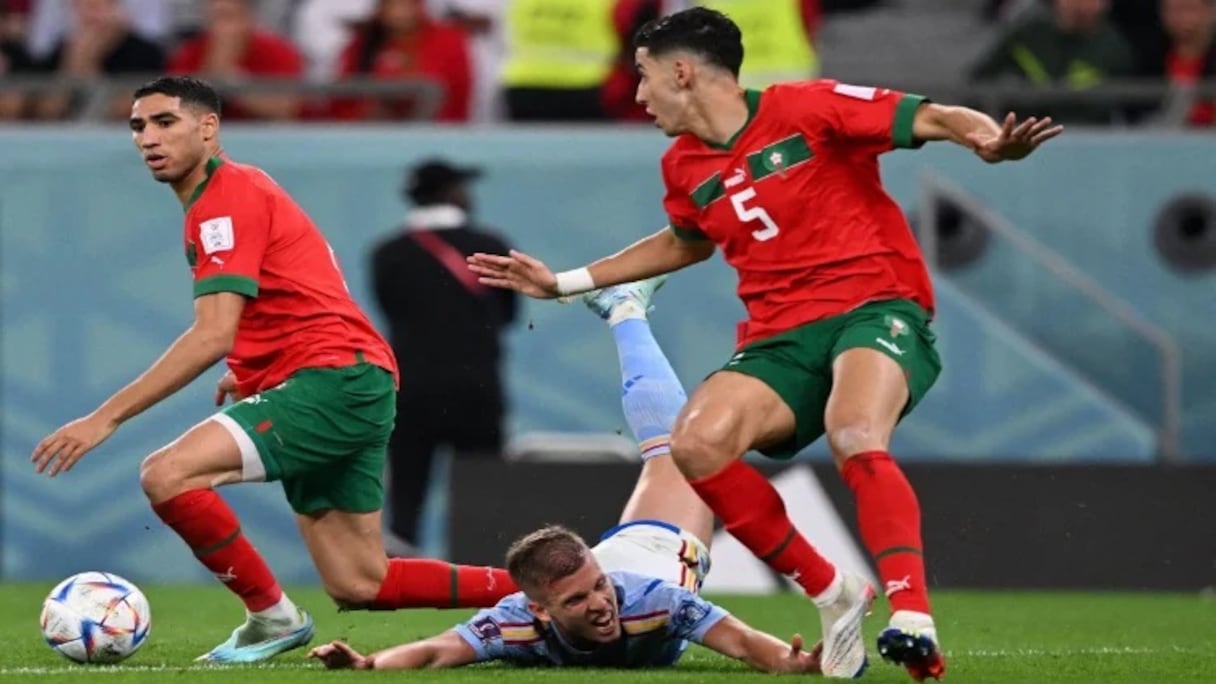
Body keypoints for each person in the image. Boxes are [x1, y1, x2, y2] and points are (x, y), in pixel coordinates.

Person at [468, 8, 1063, 681]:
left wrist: (988, 140)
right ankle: (834, 590)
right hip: (779, 337)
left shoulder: (806, 107)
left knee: (853, 431)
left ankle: (912, 616)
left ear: (682, 72)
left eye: (644, 76)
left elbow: (933, 116)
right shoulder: (682, 164)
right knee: (695, 444)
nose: (638, 94)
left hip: (874, 306)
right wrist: (566, 282)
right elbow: (685, 242)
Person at [28, 75, 522, 664]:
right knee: (361, 582)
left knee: (167, 474)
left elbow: (212, 334)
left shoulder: (225, 199)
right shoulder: (232, 192)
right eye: (138, 126)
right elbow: (295, 293)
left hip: (333, 381)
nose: (148, 138)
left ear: (208, 127)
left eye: (165, 122)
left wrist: (104, 419)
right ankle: (549, 591)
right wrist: (257, 364)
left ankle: (271, 617)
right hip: (347, 378)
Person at [309, 278, 828, 675]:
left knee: (680, 449)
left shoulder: (651, 600)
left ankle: (626, 309)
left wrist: (793, 662)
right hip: (627, 549)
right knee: (675, 448)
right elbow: (434, 650)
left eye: (597, 587)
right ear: (539, 609)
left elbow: (742, 641)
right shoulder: (515, 621)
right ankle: (627, 311)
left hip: (659, 545)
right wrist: (368, 666)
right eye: (578, 600)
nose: (601, 605)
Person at [369, 158, 518, 552]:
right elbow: (507, 315)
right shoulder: (491, 246)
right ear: (451, 194)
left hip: (411, 388)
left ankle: (402, 573)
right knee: (484, 494)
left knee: (407, 491)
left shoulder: (387, 253)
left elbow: (390, 310)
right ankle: (483, 572)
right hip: (477, 387)